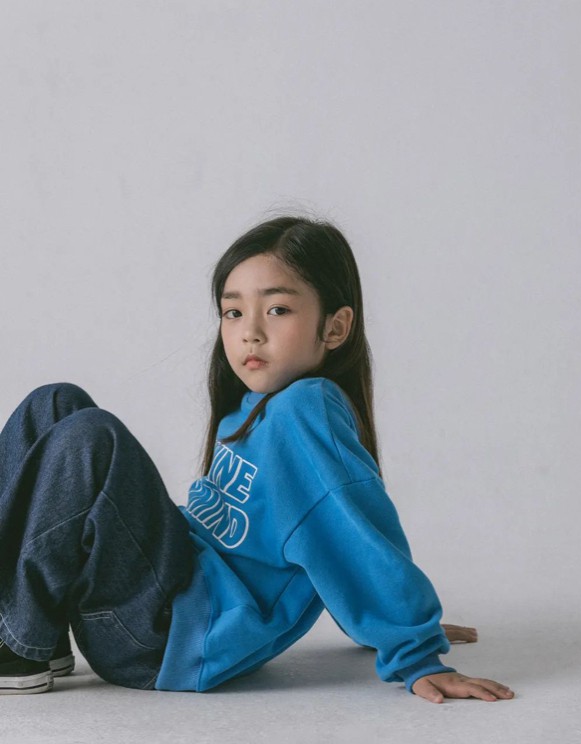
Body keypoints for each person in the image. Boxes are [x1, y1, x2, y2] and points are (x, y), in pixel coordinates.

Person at [0, 215, 514, 704]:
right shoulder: (255, 407)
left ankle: (16, 643)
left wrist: (412, 646)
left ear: (335, 328)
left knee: (92, 437)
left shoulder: (304, 409)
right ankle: (32, 626)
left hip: (173, 634)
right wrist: (376, 627)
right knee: (54, 403)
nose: (250, 331)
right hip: (161, 599)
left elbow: (349, 531)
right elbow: (314, 543)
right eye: (233, 312)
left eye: (278, 310)